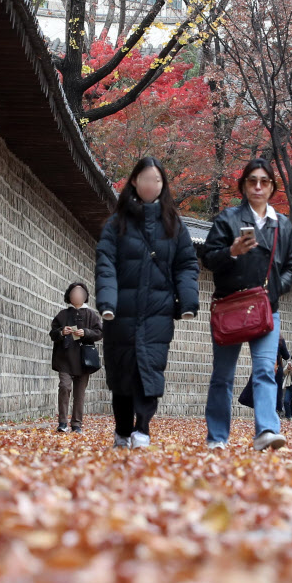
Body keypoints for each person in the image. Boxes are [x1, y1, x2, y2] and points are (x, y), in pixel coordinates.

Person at [95, 156, 199, 449]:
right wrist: (107, 301)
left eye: (156, 180)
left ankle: (142, 428)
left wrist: (187, 300)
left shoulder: (174, 224)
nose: (150, 185)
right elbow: (106, 264)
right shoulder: (116, 224)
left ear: (162, 185)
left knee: (150, 369)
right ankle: (122, 430)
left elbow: (187, 264)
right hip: (121, 312)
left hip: (158, 310)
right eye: (145, 179)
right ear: (134, 182)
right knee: (122, 372)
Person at [202, 157, 292, 452]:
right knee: (223, 375)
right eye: (252, 181)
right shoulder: (227, 219)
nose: (258, 187)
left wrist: (273, 291)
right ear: (243, 186)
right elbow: (208, 258)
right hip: (230, 305)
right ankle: (217, 437)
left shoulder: (282, 224)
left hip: (266, 308)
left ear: (272, 187)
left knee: (265, 371)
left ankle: (267, 430)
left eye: (264, 181)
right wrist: (231, 251)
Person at [49, 282, 103, 433]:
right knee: (64, 387)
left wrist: (86, 333)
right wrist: (61, 332)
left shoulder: (91, 315)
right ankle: (62, 423)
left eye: (80, 293)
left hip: (84, 359)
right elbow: (52, 334)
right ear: (69, 296)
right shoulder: (62, 315)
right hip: (64, 358)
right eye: (74, 293)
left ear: (85, 296)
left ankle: (76, 424)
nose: (77, 295)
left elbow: (99, 333)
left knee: (79, 393)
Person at [275, 336, 290, 415]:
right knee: (277, 389)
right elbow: (286, 356)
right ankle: (277, 409)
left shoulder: (260, 334)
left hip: (263, 367)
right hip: (276, 368)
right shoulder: (279, 339)